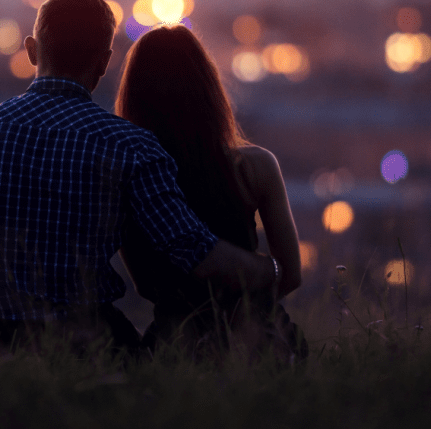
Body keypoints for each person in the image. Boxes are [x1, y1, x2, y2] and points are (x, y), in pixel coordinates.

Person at [0, 0, 279, 353]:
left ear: (32, 50)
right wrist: (269, 271)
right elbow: (195, 254)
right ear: (104, 62)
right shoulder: (128, 146)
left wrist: (0, 324)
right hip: (85, 347)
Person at [116, 24, 303, 355]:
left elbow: (144, 284)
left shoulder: (130, 175)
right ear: (209, 90)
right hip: (262, 336)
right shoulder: (256, 167)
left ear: (134, 98)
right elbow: (289, 274)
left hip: (175, 340)